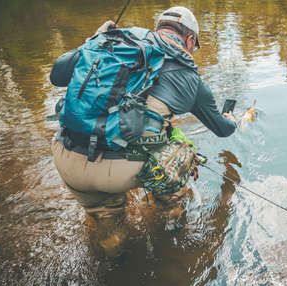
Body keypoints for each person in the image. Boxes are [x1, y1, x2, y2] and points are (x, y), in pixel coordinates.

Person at [49, 6, 237, 256]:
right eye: (195, 45)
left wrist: (94, 41)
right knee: (180, 156)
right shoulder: (191, 77)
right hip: (120, 171)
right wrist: (231, 119)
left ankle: (113, 252)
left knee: (106, 217)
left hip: (67, 157)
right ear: (190, 40)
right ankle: (172, 226)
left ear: (159, 28)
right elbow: (223, 130)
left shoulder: (114, 41)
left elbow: (57, 76)